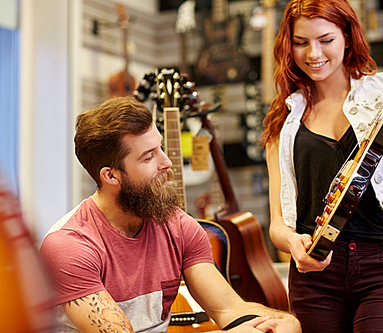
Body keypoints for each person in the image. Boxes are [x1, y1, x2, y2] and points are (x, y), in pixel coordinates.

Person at [40, 97, 301, 333]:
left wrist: (280, 321)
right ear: (111, 175)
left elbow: (228, 309)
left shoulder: (176, 225)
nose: (167, 163)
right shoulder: (69, 247)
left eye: (161, 148)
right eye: (148, 157)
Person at [262, 0, 383, 332]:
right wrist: (292, 244)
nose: (313, 53)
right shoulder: (283, 120)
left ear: (347, 36)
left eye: (325, 40)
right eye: (301, 42)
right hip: (316, 275)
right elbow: (278, 223)